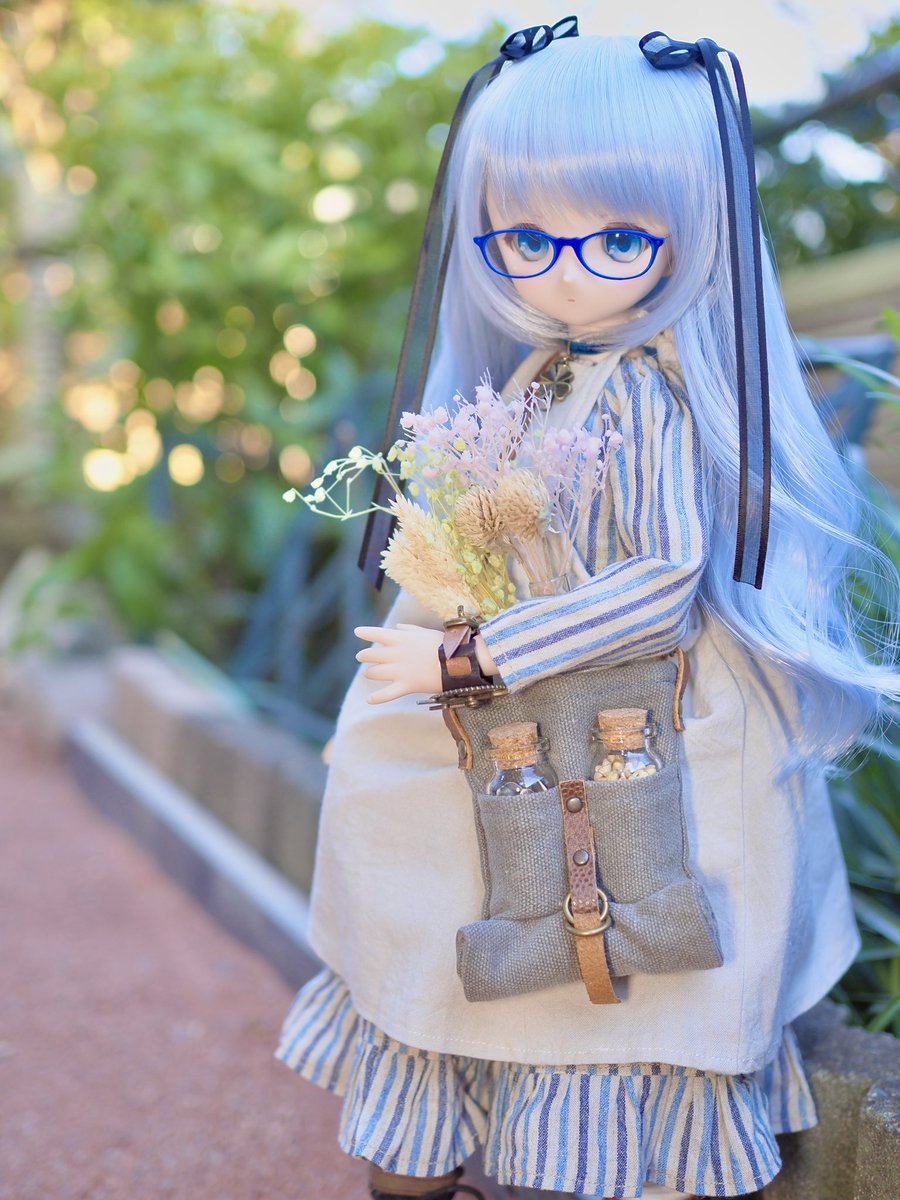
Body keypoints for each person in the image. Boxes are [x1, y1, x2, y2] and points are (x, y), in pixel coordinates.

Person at [275, 24, 898, 1200]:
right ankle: (422, 1123)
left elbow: (664, 582)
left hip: (614, 697)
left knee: (588, 898)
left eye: (618, 240)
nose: (562, 276)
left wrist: (475, 654)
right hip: (525, 687)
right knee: (417, 846)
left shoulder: (652, 393)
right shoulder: (546, 374)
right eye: (523, 240)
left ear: (691, 234)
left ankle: (520, 1142)